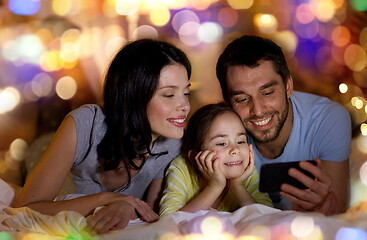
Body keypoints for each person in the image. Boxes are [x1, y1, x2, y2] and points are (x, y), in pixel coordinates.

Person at [14, 38, 192, 233]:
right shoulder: (85, 124)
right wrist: (107, 199)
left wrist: (126, 207)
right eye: (169, 95)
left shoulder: (172, 143)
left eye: (186, 93)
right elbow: (25, 209)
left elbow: (151, 217)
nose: (185, 106)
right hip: (47, 146)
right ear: (133, 96)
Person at [215, 35, 352, 215]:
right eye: (242, 99)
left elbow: (338, 210)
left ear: (288, 86)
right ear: (227, 102)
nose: (257, 110)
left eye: (268, 93)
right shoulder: (218, 129)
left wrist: (323, 204)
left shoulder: (327, 119)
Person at [159, 103, 272, 215]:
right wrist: (214, 186)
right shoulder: (181, 168)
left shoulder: (246, 171)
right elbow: (169, 220)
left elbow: (268, 217)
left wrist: (237, 186)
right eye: (222, 143)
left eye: (241, 141)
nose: (235, 149)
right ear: (194, 157)